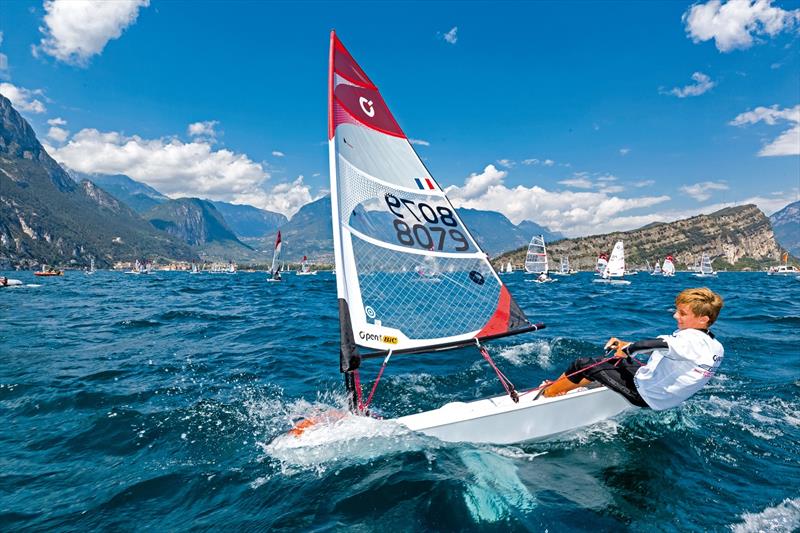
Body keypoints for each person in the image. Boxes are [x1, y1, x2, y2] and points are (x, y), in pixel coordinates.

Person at [540, 287, 724, 410]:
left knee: (583, 364)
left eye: (683, 313)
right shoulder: (714, 345)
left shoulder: (690, 340)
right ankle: (569, 386)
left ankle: (547, 396)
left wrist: (629, 349)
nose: (676, 315)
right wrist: (624, 345)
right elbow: (670, 352)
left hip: (645, 395)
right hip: (660, 393)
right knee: (614, 361)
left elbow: (647, 345)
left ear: (703, 319)